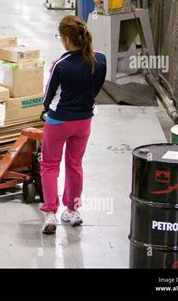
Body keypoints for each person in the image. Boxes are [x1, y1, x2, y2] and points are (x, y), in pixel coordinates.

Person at [40, 15, 107, 235]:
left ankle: (51, 213)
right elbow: (96, 89)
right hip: (84, 121)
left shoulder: (60, 65)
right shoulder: (100, 60)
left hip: (59, 121)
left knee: (50, 165)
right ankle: (73, 210)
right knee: (75, 164)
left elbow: (47, 97)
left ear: (67, 39)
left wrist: (45, 109)